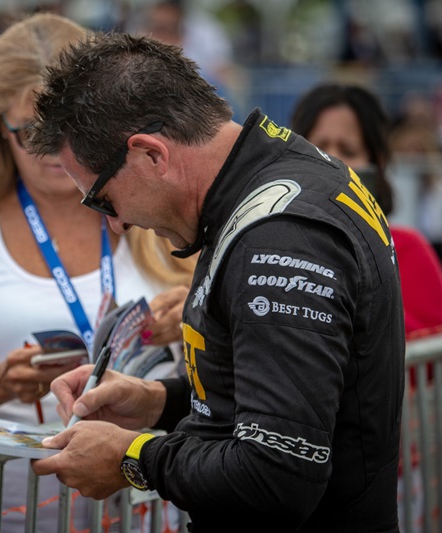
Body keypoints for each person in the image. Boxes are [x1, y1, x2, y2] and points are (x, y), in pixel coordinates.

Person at [28, 32, 404, 531]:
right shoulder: (283, 169)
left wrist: (134, 457)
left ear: (150, 155)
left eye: (102, 199)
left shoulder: (278, 236)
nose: (115, 224)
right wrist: (156, 401)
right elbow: (290, 395)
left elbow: (279, 473)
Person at [0, 13, 195, 531]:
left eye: (73, 127)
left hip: (135, 513)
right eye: (31, 131)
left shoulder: (146, 208)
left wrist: (192, 317)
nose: (56, 148)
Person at [289, 82, 442, 338]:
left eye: (347, 150)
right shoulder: (270, 248)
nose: (331, 162)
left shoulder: (407, 248)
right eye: (318, 148)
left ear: (377, 163)